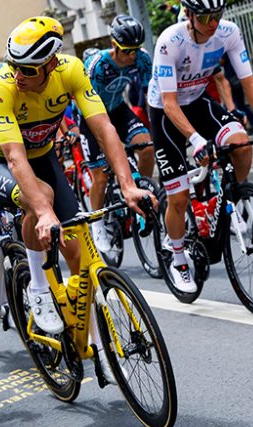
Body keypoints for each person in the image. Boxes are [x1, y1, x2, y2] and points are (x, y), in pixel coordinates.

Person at [0, 17, 154, 339]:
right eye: (13, 65)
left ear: (51, 63)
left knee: (76, 252)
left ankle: (99, 345)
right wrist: (43, 211)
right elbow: (15, 157)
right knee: (39, 197)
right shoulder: (1, 86)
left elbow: (104, 129)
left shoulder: (70, 70)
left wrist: (128, 185)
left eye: (28, 69)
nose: (18, 76)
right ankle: (39, 289)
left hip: (42, 157)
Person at [148, 0, 253, 292]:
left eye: (217, 15)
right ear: (189, 14)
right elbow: (170, 104)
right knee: (179, 196)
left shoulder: (229, 32)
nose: (213, 22)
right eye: (206, 16)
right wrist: (197, 140)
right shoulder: (169, 42)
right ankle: (178, 259)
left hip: (197, 102)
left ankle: (233, 196)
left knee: (241, 145)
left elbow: (249, 83)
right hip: (165, 112)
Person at [79, 15, 155, 252]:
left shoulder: (142, 59)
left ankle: (140, 188)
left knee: (147, 147)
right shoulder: (97, 66)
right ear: (114, 45)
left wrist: (157, 128)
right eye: (126, 50)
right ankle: (97, 222)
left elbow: (151, 96)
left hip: (118, 110)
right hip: (92, 117)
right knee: (101, 175)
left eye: (135, 49)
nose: (132, 55)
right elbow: (81, 100)